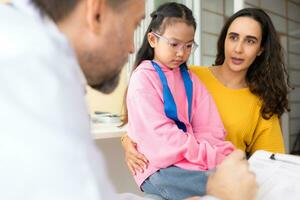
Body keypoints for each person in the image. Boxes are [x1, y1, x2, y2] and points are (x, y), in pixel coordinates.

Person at [0, 0, 257, 200]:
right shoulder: (30, 79)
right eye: (133, 25)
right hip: (164, 169)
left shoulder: (44, 64)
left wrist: (220, 158)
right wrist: (214, 183)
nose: (132, 49)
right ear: (96, 12)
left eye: (188, 46)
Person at [122, 7, 290, 176]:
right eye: (233, 37)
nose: (238, 48)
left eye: (250, 41)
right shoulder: (188, 76)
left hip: (223, 182)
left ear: (261, 49)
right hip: (177, 175)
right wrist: (128, 142)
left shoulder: (262, 104)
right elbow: (147, 118)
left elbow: (271, 167)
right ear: (224, 40)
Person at [125, 3, 234, 199]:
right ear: (152, 39)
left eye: (189, 45)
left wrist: (211, 156)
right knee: (229, 184)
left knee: (231, 172)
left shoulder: (191, 79)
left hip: (189, 162)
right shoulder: (143, 78)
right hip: (159, 168)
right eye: (174, 44)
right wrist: (207, 156)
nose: (181, 53)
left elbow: (211, 127)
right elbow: (159, 137)